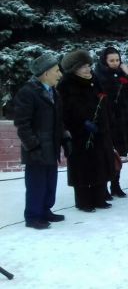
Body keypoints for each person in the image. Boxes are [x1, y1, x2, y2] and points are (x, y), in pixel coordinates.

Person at [13, 53, 68, 229]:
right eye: (57, 71)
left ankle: (45, 210)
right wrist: (33, 146)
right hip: (36, 149)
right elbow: (22, 124)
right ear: (45, 73)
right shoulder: (28, 92)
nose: (60, 74)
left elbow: (59, 120)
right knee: (36, 183)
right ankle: (33, 216)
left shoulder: (54, 92)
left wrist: (65, 139)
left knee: (50, 182)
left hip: (51, 147)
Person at [57, 50, 115, 212]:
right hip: (79, 133)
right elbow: (66, 111)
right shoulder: (66, 84)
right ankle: (83, 201)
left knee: (99, 163)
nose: (88, 69)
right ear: (74, 68)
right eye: (83, 66)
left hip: (99, 131)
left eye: (88, 65)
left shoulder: (94, 79)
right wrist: (82, 122)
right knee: (82, 167)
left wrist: (104, 119)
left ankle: (99, 197)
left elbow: (103, 100)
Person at [94, 46, 128, 198]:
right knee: (107, 154)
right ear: (104, 60)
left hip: (122, 118)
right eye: (111, 60)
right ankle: (104, 186)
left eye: (117, 60)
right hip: (107, 118)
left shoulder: (121, 73)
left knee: (118, 153)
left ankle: (116, 184)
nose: (115, 63)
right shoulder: (98, 75)